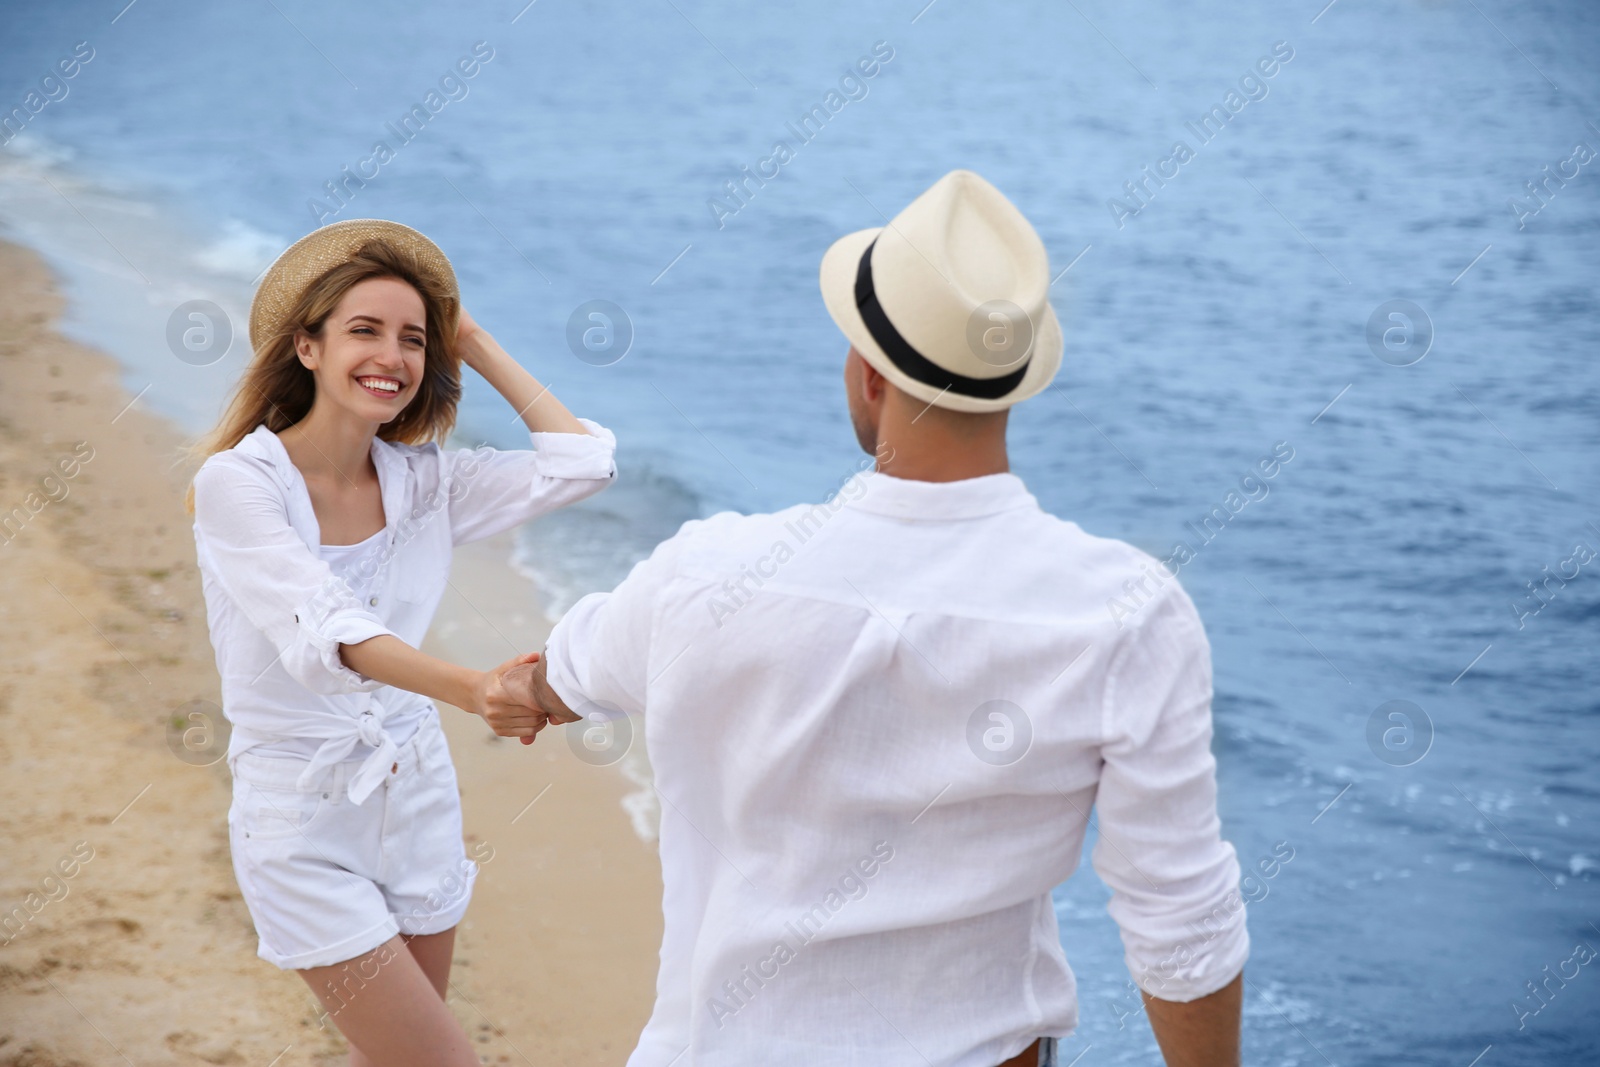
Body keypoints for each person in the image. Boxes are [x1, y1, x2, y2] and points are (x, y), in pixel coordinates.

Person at [492, 171, 1248, 1066]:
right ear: (1016, 379)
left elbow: (556, 681)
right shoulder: (1123, 612)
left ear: (866, 374)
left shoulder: (705, 574)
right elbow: (1180, 921)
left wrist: (519, 691)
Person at [187, 219, 605, 1066]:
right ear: (305, 345)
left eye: (414, 339)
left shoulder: (427, 481)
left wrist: (473, 339)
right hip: (300, 819)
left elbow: (583, 462)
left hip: (414, 794)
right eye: (364, 331)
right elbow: (329, 625)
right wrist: (473, 687)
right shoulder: (237, 482)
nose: (394, 355)